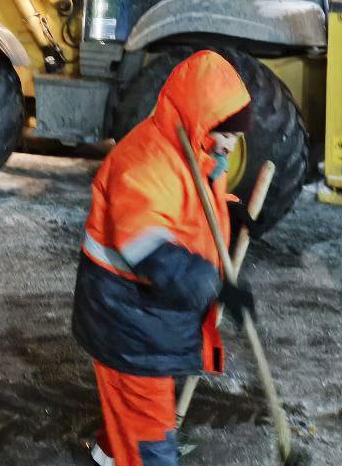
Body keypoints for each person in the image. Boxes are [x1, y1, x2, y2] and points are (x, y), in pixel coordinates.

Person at [73, 51, 256, 466]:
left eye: (235, 135)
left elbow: (191, 207)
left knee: (135, 409)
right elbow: (147, 245)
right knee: (151, 430)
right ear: (198, 119)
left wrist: (230, 208)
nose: (230, 142)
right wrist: (215, 285)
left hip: (148, 317)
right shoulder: (146, 161)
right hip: (127, 318)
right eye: (224, 131)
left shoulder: (198, 152)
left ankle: (108, 454)